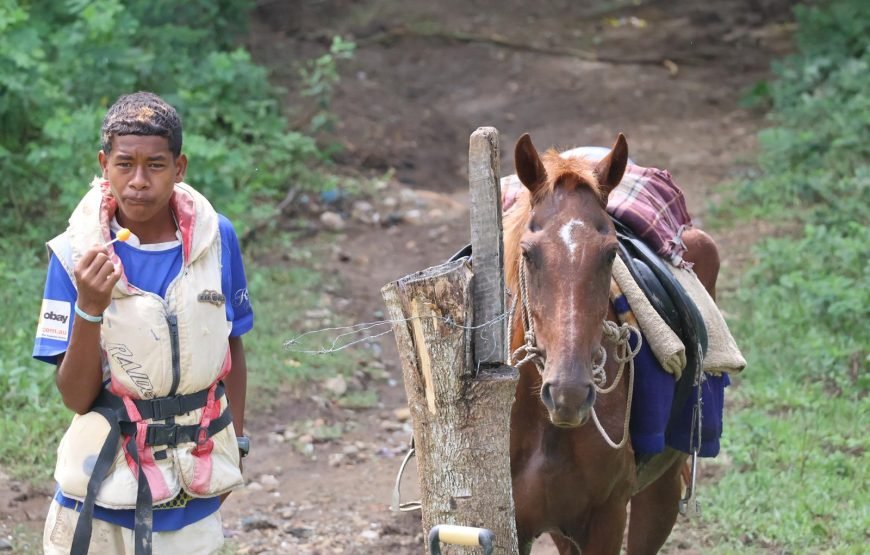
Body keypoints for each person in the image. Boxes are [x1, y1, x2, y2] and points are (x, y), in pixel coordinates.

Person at [32, 91, 254, 554]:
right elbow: (75, 397)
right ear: (103, 164)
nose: (138, 181)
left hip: (192, 486)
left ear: (180, 168)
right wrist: (90, 306)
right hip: (99, 497)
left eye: (155, 165)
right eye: (124, 164)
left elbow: (231, 346)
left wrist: (237, 444)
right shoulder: (77, 254)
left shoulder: (216, 239)